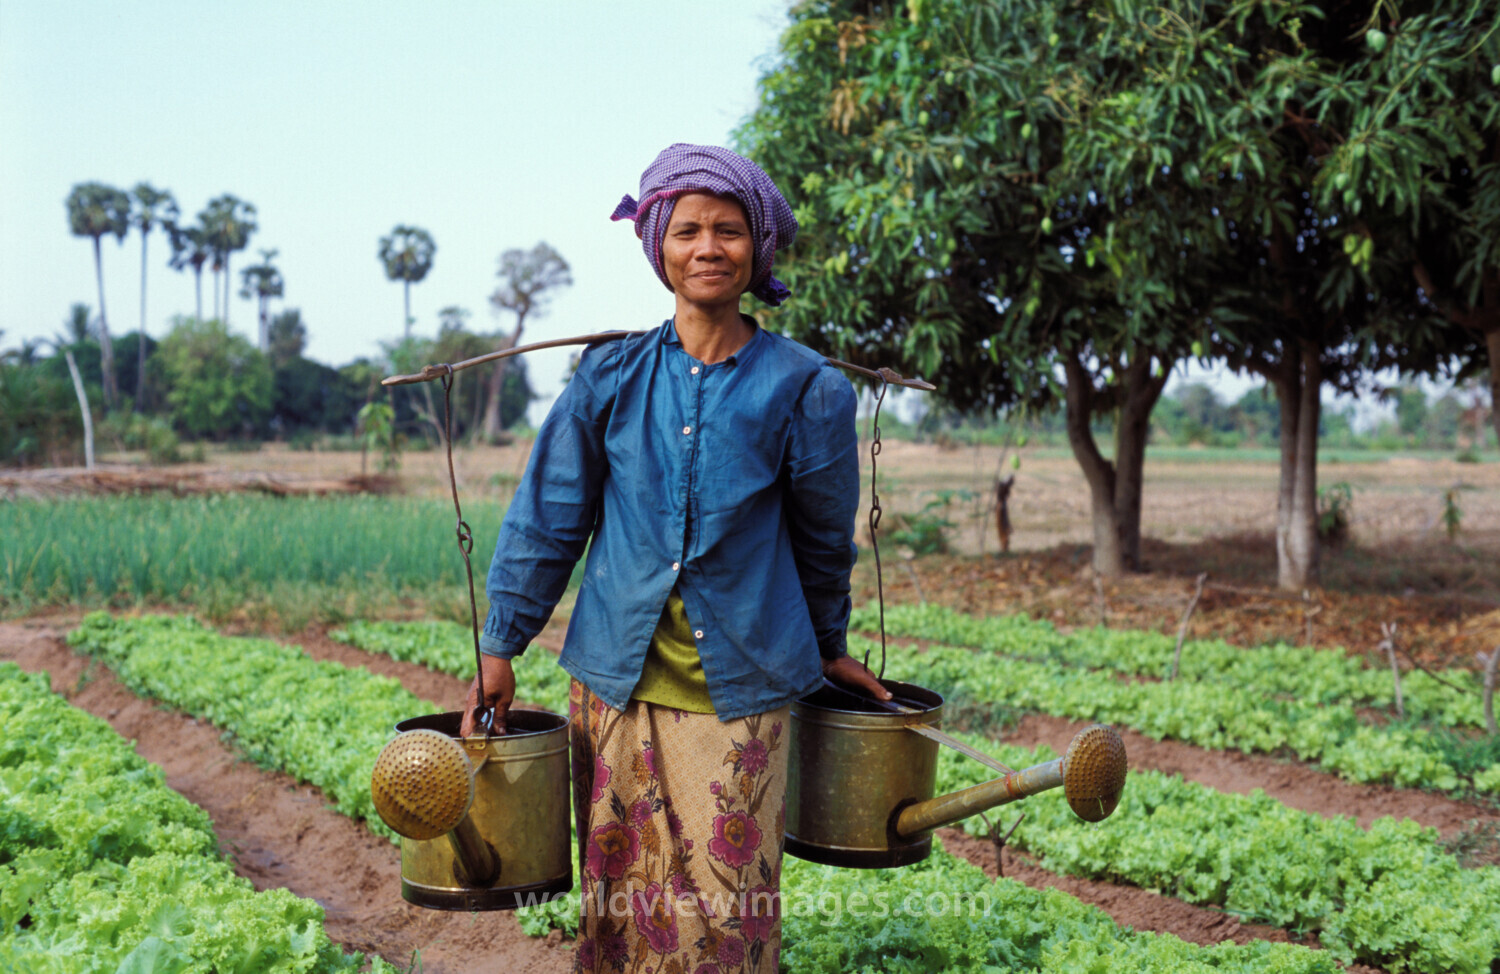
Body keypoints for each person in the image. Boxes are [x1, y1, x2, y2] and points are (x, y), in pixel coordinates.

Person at [460, 143, 889, 974]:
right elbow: (548, 518)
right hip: (614, 680)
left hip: (745, 685)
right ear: (658, 243)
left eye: (728, 230)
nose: (707, 247)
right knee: (622, 899)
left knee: (730, 910)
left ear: (756, 248)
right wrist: (500, 646)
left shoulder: (807, 388)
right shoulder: (610, 376)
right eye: (687, 229)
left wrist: (830, 644)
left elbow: (821, 540)